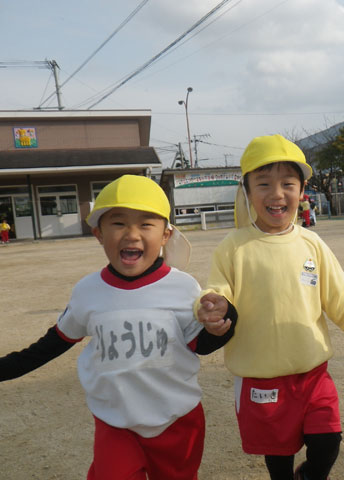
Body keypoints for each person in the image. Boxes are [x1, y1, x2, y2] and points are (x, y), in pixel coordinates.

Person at [0, 174, 237, 480]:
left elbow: (200, 345)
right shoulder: (88, 291)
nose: (132, 234)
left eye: (146, 224)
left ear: (166, 235)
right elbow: (53, 343)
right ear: (98, 234)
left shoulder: (183, 287)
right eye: (119, 223)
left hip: (177, 419)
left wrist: (222, 325)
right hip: (115, 423)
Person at [197, 134, 344, 480]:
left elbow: (341, 300)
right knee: (278, 457)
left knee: (328, 442)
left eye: (287, 184)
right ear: (247, 191)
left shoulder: (312, 243)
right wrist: (211, 306)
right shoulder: (234, 247)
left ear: (302, 190)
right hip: (261, 377)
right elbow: (218, 291)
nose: (276, 194)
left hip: (313, 373)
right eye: (263, 184)